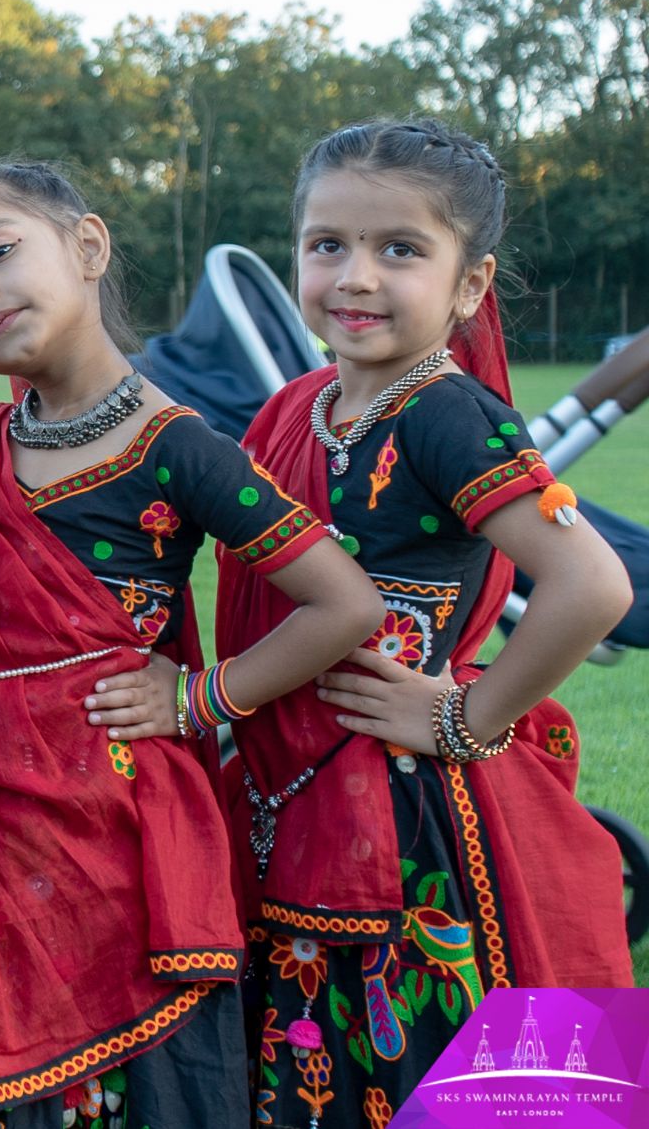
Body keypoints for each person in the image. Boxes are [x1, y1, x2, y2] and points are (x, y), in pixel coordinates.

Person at [0, 162, 383, 1127]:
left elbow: (343, 603)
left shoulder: (177, 446)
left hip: (109, 818)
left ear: (89, 247)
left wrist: (200, 698)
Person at [218, 119, 633, 1127]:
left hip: (405, 813)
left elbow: (591, 586)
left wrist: (463, 719)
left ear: (467, 285)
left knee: (423, 1062)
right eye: (327, 244)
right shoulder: (301, 405)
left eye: (398, 248)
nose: (354, 276)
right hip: (293, 778)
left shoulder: (447, 415)